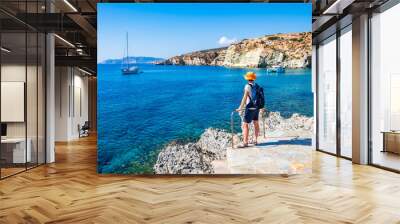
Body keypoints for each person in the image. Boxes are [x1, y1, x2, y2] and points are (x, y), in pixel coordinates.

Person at [236, 72, 264, 148]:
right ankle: (255, 140)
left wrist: (240, 108)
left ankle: (245, 142)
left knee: (245, 124)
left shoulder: (247, 86)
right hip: (257, 107)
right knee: (256, 123)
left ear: (247, 79)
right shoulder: (257, 86)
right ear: (253, 78)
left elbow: (244, 98)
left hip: (250, 107)